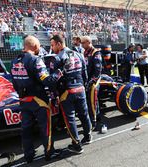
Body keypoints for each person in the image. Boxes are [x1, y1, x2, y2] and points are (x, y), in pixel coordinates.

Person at [10, 35, 62, 163]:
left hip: (23, 100)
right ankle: (49, 152)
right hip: (38, 100)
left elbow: (15, 84)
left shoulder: (14, 61)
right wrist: (58, 72)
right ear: (34, 46)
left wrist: (22, 95)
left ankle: (28, 155)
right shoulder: (35, 60)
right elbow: (47, 81)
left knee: (26, 129)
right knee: (45, 127)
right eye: (38, 45)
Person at [50, 35, 92, 153]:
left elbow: (54, 81)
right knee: (84, 114)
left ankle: (77, 145)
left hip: (66, 92)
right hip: (80, 89)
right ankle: (88, 136)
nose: (52, 48)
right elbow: (85, 72)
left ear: (59, 44)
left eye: (53, 45)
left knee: (70, 119)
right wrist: (83, 85)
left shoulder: (57, 58)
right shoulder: (78, 54)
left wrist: (55, 95)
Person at [81, 36, 102, 129]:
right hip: (87, 80)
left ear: (88, 42)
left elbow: (98, 69)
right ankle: (95, 117)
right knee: (89, 101)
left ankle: (93, 122)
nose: (82, 45)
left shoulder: (95, 52)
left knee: (92, 101)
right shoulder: (85, 52)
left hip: (94, 81)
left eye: (83, 43)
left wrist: (92, 80)